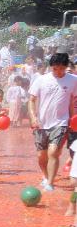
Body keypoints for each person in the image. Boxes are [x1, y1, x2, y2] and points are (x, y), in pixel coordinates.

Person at [28, 52, 77, 191]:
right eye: (55, 68)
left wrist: (73, 121)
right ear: (51, 67)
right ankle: (45, 176)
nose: (58, 72)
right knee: (41, 156)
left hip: (61, 122)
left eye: (61, 68)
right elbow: (31, 100)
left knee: (53, 152)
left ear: (66, 66)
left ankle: (50, 183)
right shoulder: (41, 80)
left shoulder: (73, 80)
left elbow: (74, 101)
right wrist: (33, 117)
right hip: (41, 124)